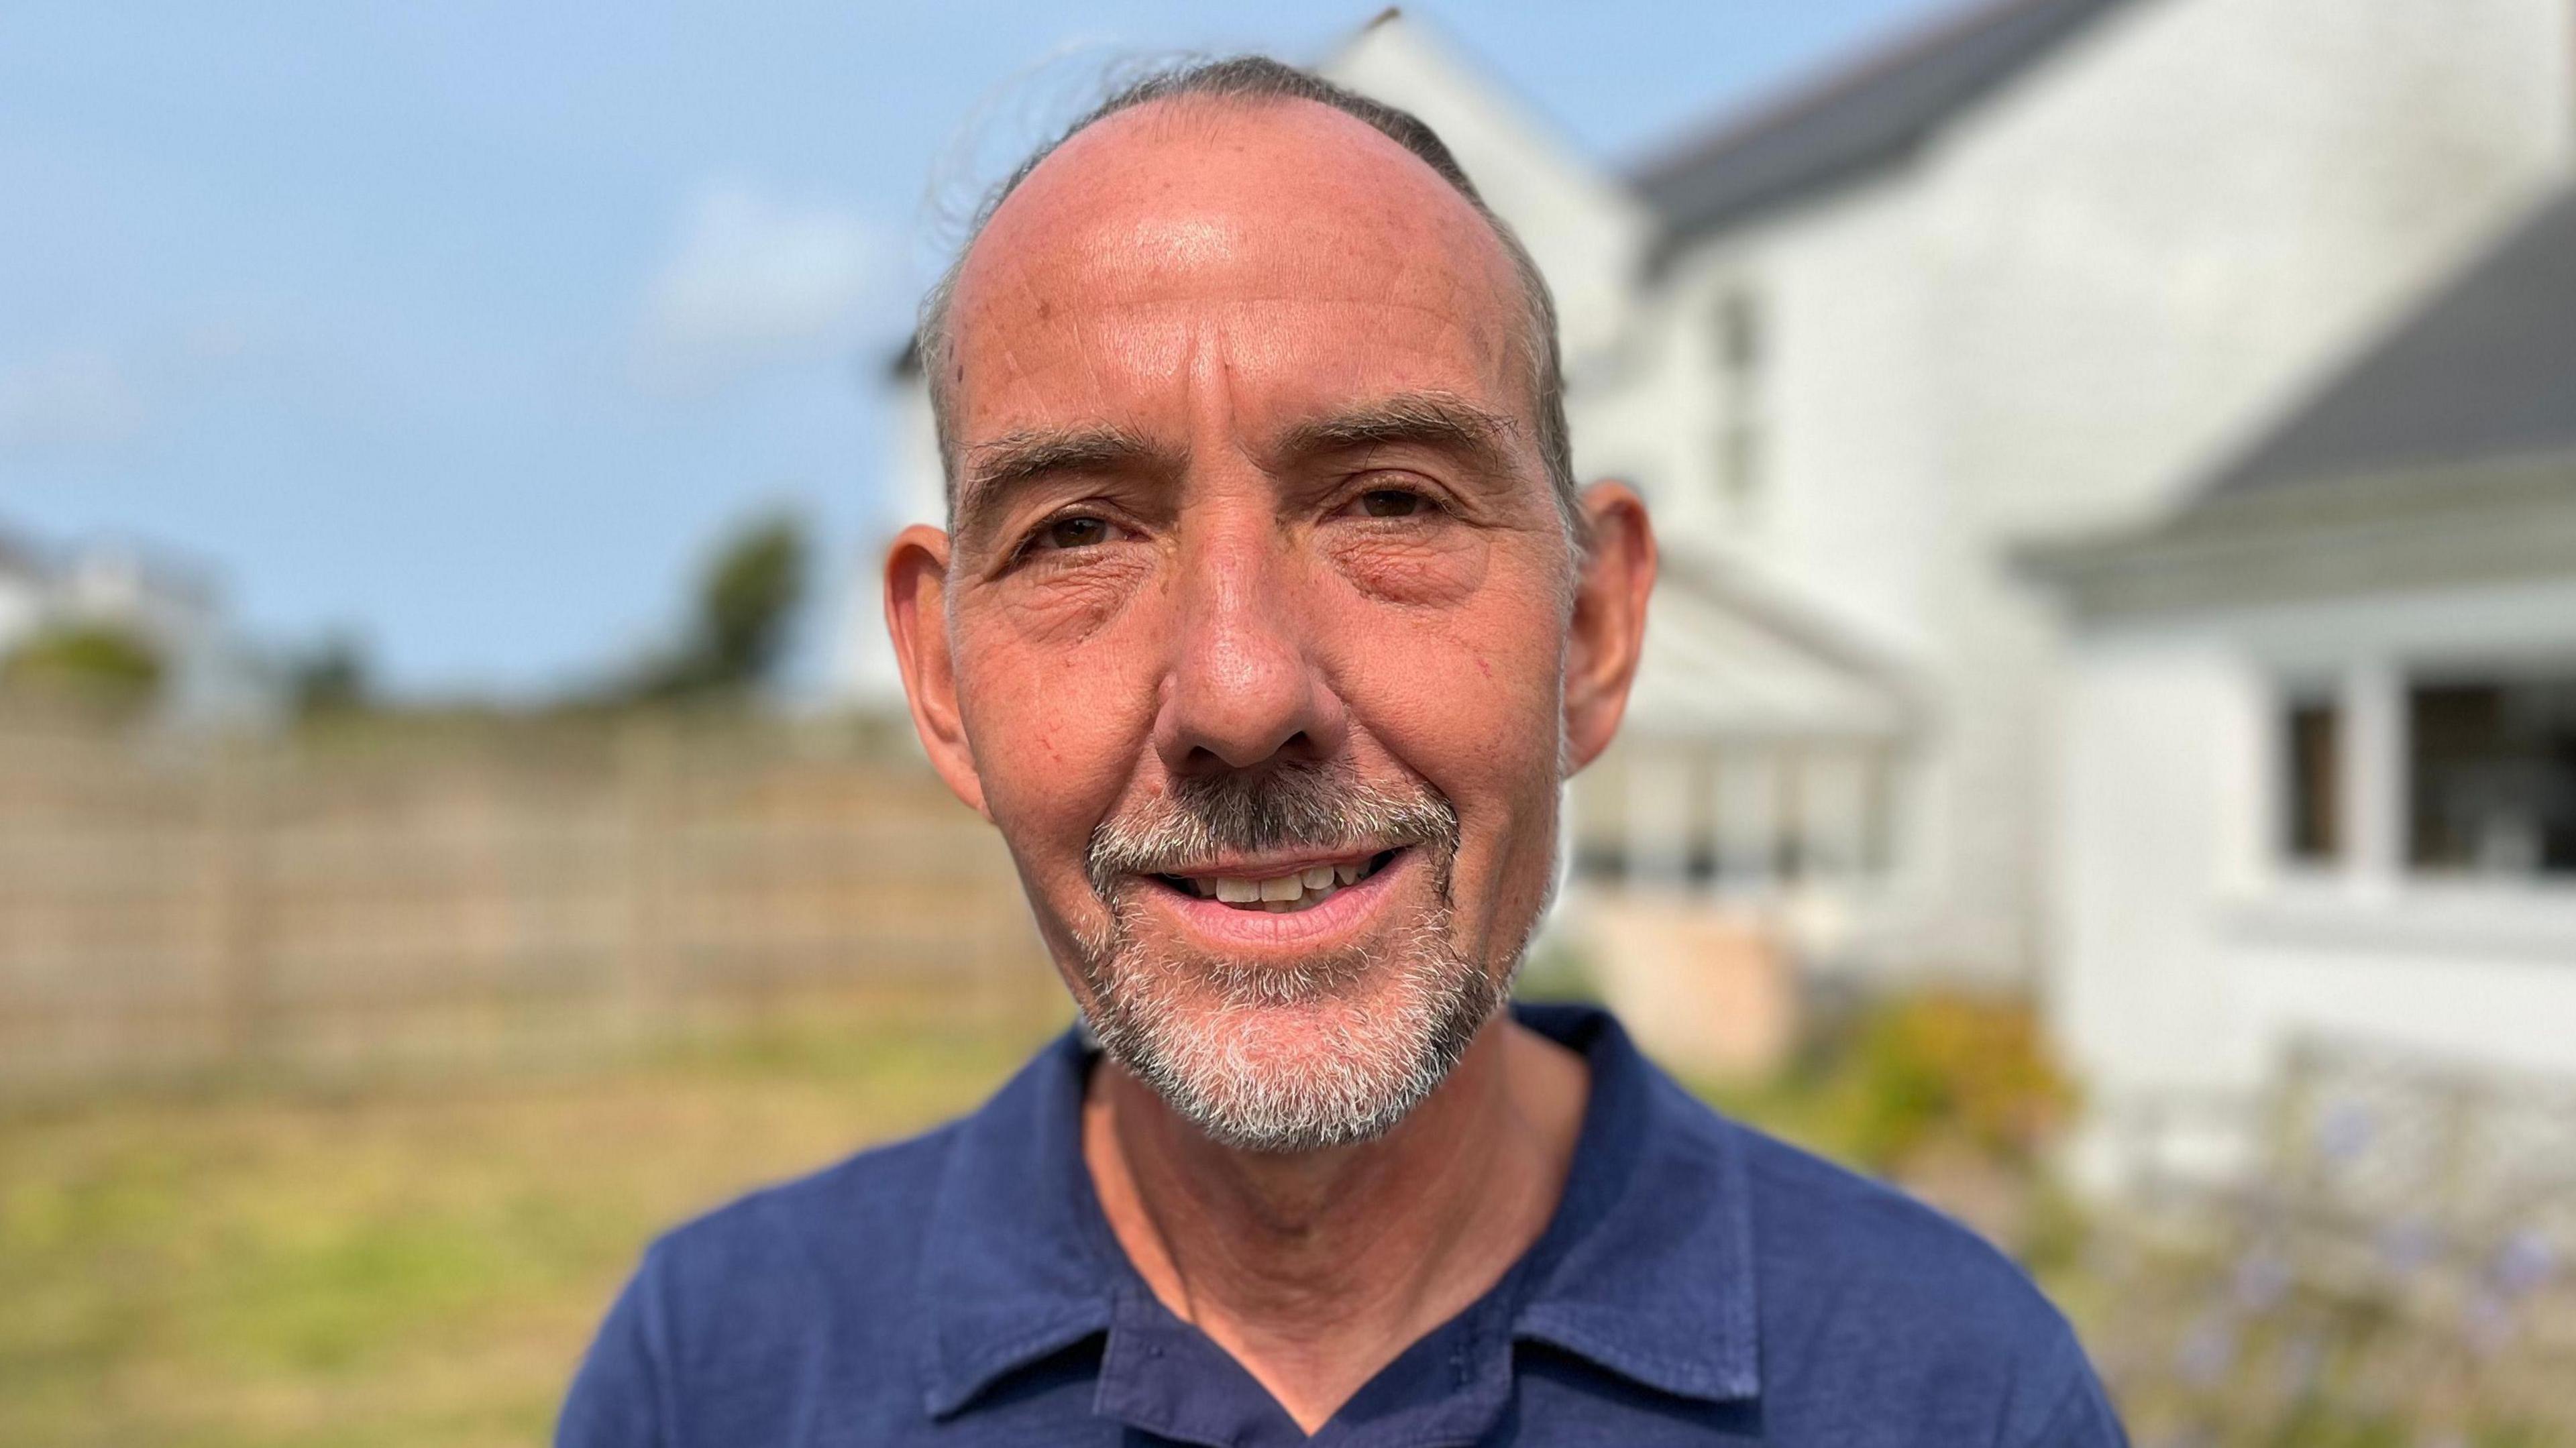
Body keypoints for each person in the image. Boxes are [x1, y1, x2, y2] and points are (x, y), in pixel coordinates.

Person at [558, 56, 2127, 1447]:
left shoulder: (1951, 1392)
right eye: (1082, 531)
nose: (1241, 690)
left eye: (1390, 501)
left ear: (1592, 632)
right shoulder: (718, 1377)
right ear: (944, 680)